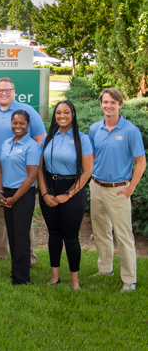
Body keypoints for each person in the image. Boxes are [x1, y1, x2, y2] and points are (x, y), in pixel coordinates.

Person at [0, 77, 46, 265]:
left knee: (23, 218)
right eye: (0, 90)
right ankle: (0, 251)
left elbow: (41, 138)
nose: (4, 93)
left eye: (8, 90)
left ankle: (28, 256)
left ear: (14, 91)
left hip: (22, 177)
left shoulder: (27, 111)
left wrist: (33, 166)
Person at [89, 88, 146, 292]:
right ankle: (105, 269)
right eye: (105, 102)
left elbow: (141, 162)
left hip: (119, 190)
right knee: (100, 231)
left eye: (113, 102)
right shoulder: (95, 129)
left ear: (120, 104)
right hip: (96, 187)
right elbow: (93, 157)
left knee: (123, 236)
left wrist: (130, 189)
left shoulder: (130, 131)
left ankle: (129, 280)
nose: (108, 105)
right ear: (101, 104)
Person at [37, 101, 93, 290]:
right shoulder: (48, 137)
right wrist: (44, 193)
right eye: (58, 112)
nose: (62, 116)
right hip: (49, 188)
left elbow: (87, 172)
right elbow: (40, 168)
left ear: (73, 114)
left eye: (66, 112)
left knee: (70, 237)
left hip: (72, 190)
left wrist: (67, 195)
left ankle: (74, 280)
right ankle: (54, 276)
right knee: (54, 235)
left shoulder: (82, 139)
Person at [0, 110, 40, 285]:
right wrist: (0, 192)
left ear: (28, 125)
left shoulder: (32, 146)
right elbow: (0, 171)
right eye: (15, 123)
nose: (18, 126)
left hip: (22, 194)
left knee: (21, 234)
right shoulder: (6, 143)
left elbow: (31, 177)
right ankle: (15, 270)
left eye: (22, 123)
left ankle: (21, 277)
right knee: (12, 234)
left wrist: (14, 198)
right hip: (6, 193)